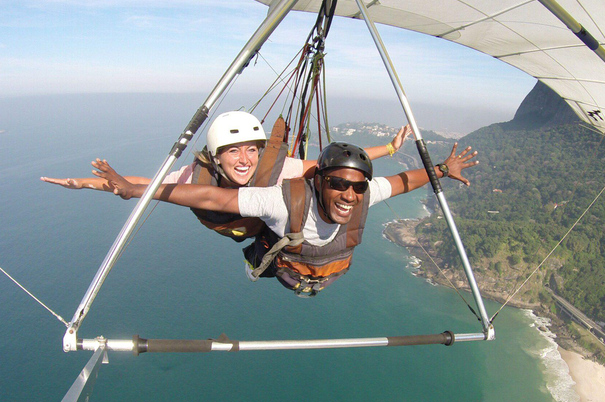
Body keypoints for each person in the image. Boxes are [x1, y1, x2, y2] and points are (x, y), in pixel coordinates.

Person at [89, 141, 478, 296]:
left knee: (315, 258)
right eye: (339, 184)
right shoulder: (281, 201)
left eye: (357, 187)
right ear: (320, 181)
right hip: (288, 269)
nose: (349, 194)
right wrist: (134, 189)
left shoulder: (363, 195)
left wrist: (442, 168)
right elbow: (212, 195)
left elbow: (404, 180)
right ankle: (258, 261)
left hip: (324, 271)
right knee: (267, 256)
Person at [42, 111, 412, 241]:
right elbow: (136, 184)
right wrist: (82, 183)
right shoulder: (194, 176)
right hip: (231, 224)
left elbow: (331, 166)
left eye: (252, 149)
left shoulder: (276, 168)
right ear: (216, 158)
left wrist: (390, 150)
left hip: (262, 224)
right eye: (233, 151)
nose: (245, 159)